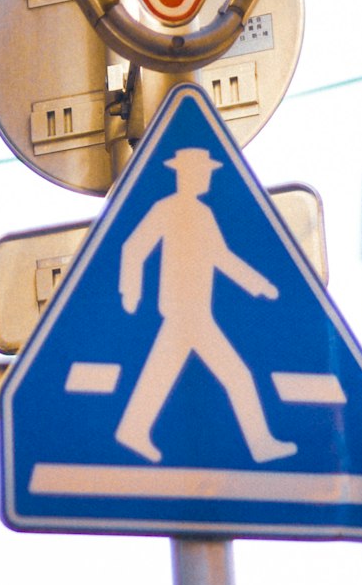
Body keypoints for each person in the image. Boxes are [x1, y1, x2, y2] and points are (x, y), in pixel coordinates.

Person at [115, 146, 297, 465]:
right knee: (237, 376)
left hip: (195, 311)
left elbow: (220, 257)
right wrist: (130, 293)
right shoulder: (166, 208)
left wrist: (260, 284)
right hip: (183, 310)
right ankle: (261, 445)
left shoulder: (203, 214)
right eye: (202, 172)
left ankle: (133, 429)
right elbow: (134, 246)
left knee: (161, 373)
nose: (207, 177)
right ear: (186, 175)